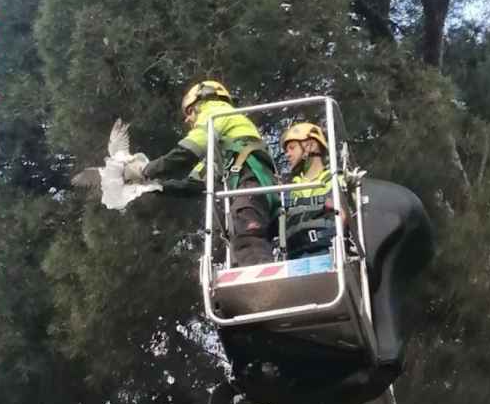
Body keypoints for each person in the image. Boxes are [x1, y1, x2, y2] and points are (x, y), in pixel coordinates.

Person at [125, 81, 279, 266]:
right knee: (244, 240)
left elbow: (187, 152)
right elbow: (195, 184)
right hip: (252, 185)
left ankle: (262, 288)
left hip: (249, 182)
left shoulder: (215, 111)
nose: (187, 120)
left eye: (189, 111)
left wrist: (145, 170)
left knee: (247, 239)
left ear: (201, 101)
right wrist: (150, 187)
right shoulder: (222, 147)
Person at [280, 122, 339, 258]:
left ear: (310, 146)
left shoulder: (336, 180)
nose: (287, 154)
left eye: (292, 148)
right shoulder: (288, 190)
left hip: (329, 253)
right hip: (294, 259)